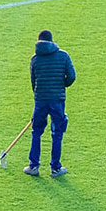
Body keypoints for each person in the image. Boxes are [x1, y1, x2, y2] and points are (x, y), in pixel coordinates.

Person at [24, 29, 76, 177]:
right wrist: (62, 85)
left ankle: (33, 166)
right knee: (57, 133)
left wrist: (39, 93)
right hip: (57, 100)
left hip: (40, 100)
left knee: (36, 132)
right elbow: (72, 76)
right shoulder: (63, 56)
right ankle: (55, 168)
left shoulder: (35, 58)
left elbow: (33, 81)